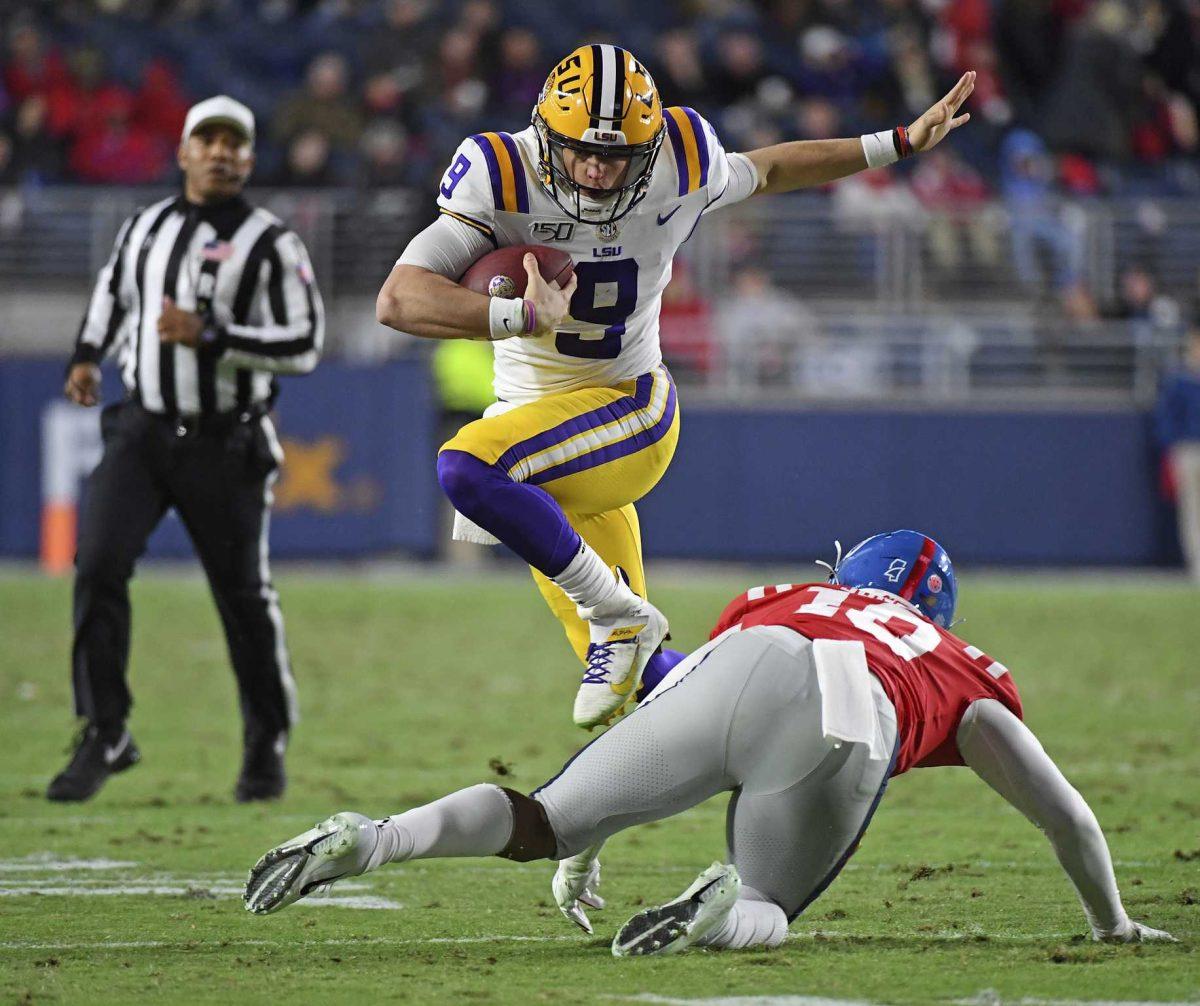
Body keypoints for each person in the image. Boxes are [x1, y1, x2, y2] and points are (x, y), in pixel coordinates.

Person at [376, 43, 979, 728]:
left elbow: (772, 168)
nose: (599, 170)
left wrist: (897, 142)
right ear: (545, 135)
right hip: (542, 439)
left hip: (629, 408)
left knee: (467, 466)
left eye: (618, 156)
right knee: (647, 685)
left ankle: (620, 616)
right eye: (581, 151)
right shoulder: (499, 172)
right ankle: (791, 719)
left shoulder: (680, 159)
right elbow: (398, 300)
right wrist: (514, 314)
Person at [242, 530, 1174, 955]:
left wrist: (588, 838)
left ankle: (376, 837)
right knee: (770, 898)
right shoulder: (960, 664)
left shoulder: (784, 594)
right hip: (850, 703)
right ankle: (724, 903)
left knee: (542, 819)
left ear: (846, 572)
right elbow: (1066, 816)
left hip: (744, 652)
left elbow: (688, 692)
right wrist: (1110, 922)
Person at [49, 96, 325, 804]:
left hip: (225, 441)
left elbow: (303, 344)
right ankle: (105, 730)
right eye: (209, 139)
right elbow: (113, 295)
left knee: (242, 600)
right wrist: (86, 355)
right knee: (98, 564)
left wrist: (213, 336)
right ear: (183, 151)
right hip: (142, 429)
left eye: (236, 142)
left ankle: (265, 740)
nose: (222, 152)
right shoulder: (147, 225)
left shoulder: (271, 241)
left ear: (251, 158)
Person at [1155, 319, 1200, 580]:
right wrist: (1172, 449)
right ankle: (1197, 565)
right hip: (1187, 451)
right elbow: (1166, 420)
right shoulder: (1180, 380)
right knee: (1191, 509)